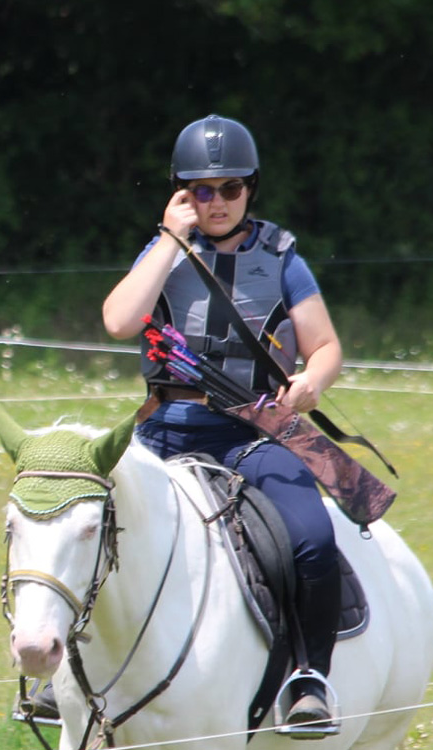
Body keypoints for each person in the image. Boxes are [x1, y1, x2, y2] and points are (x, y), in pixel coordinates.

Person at [101, 115, 346, 733]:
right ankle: (71, 676)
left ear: (251, 189)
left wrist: (310, 384)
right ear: (181, 193)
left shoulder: (284, 257)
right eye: (201, 190)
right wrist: (168, 239)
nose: (215, 202)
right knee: (84, 524)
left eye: (229, 189)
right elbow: (119, 320)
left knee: (313, 536)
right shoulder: (163, 249)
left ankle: (309, 678)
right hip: (164, 430)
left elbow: (324, 347)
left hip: (251, 433)